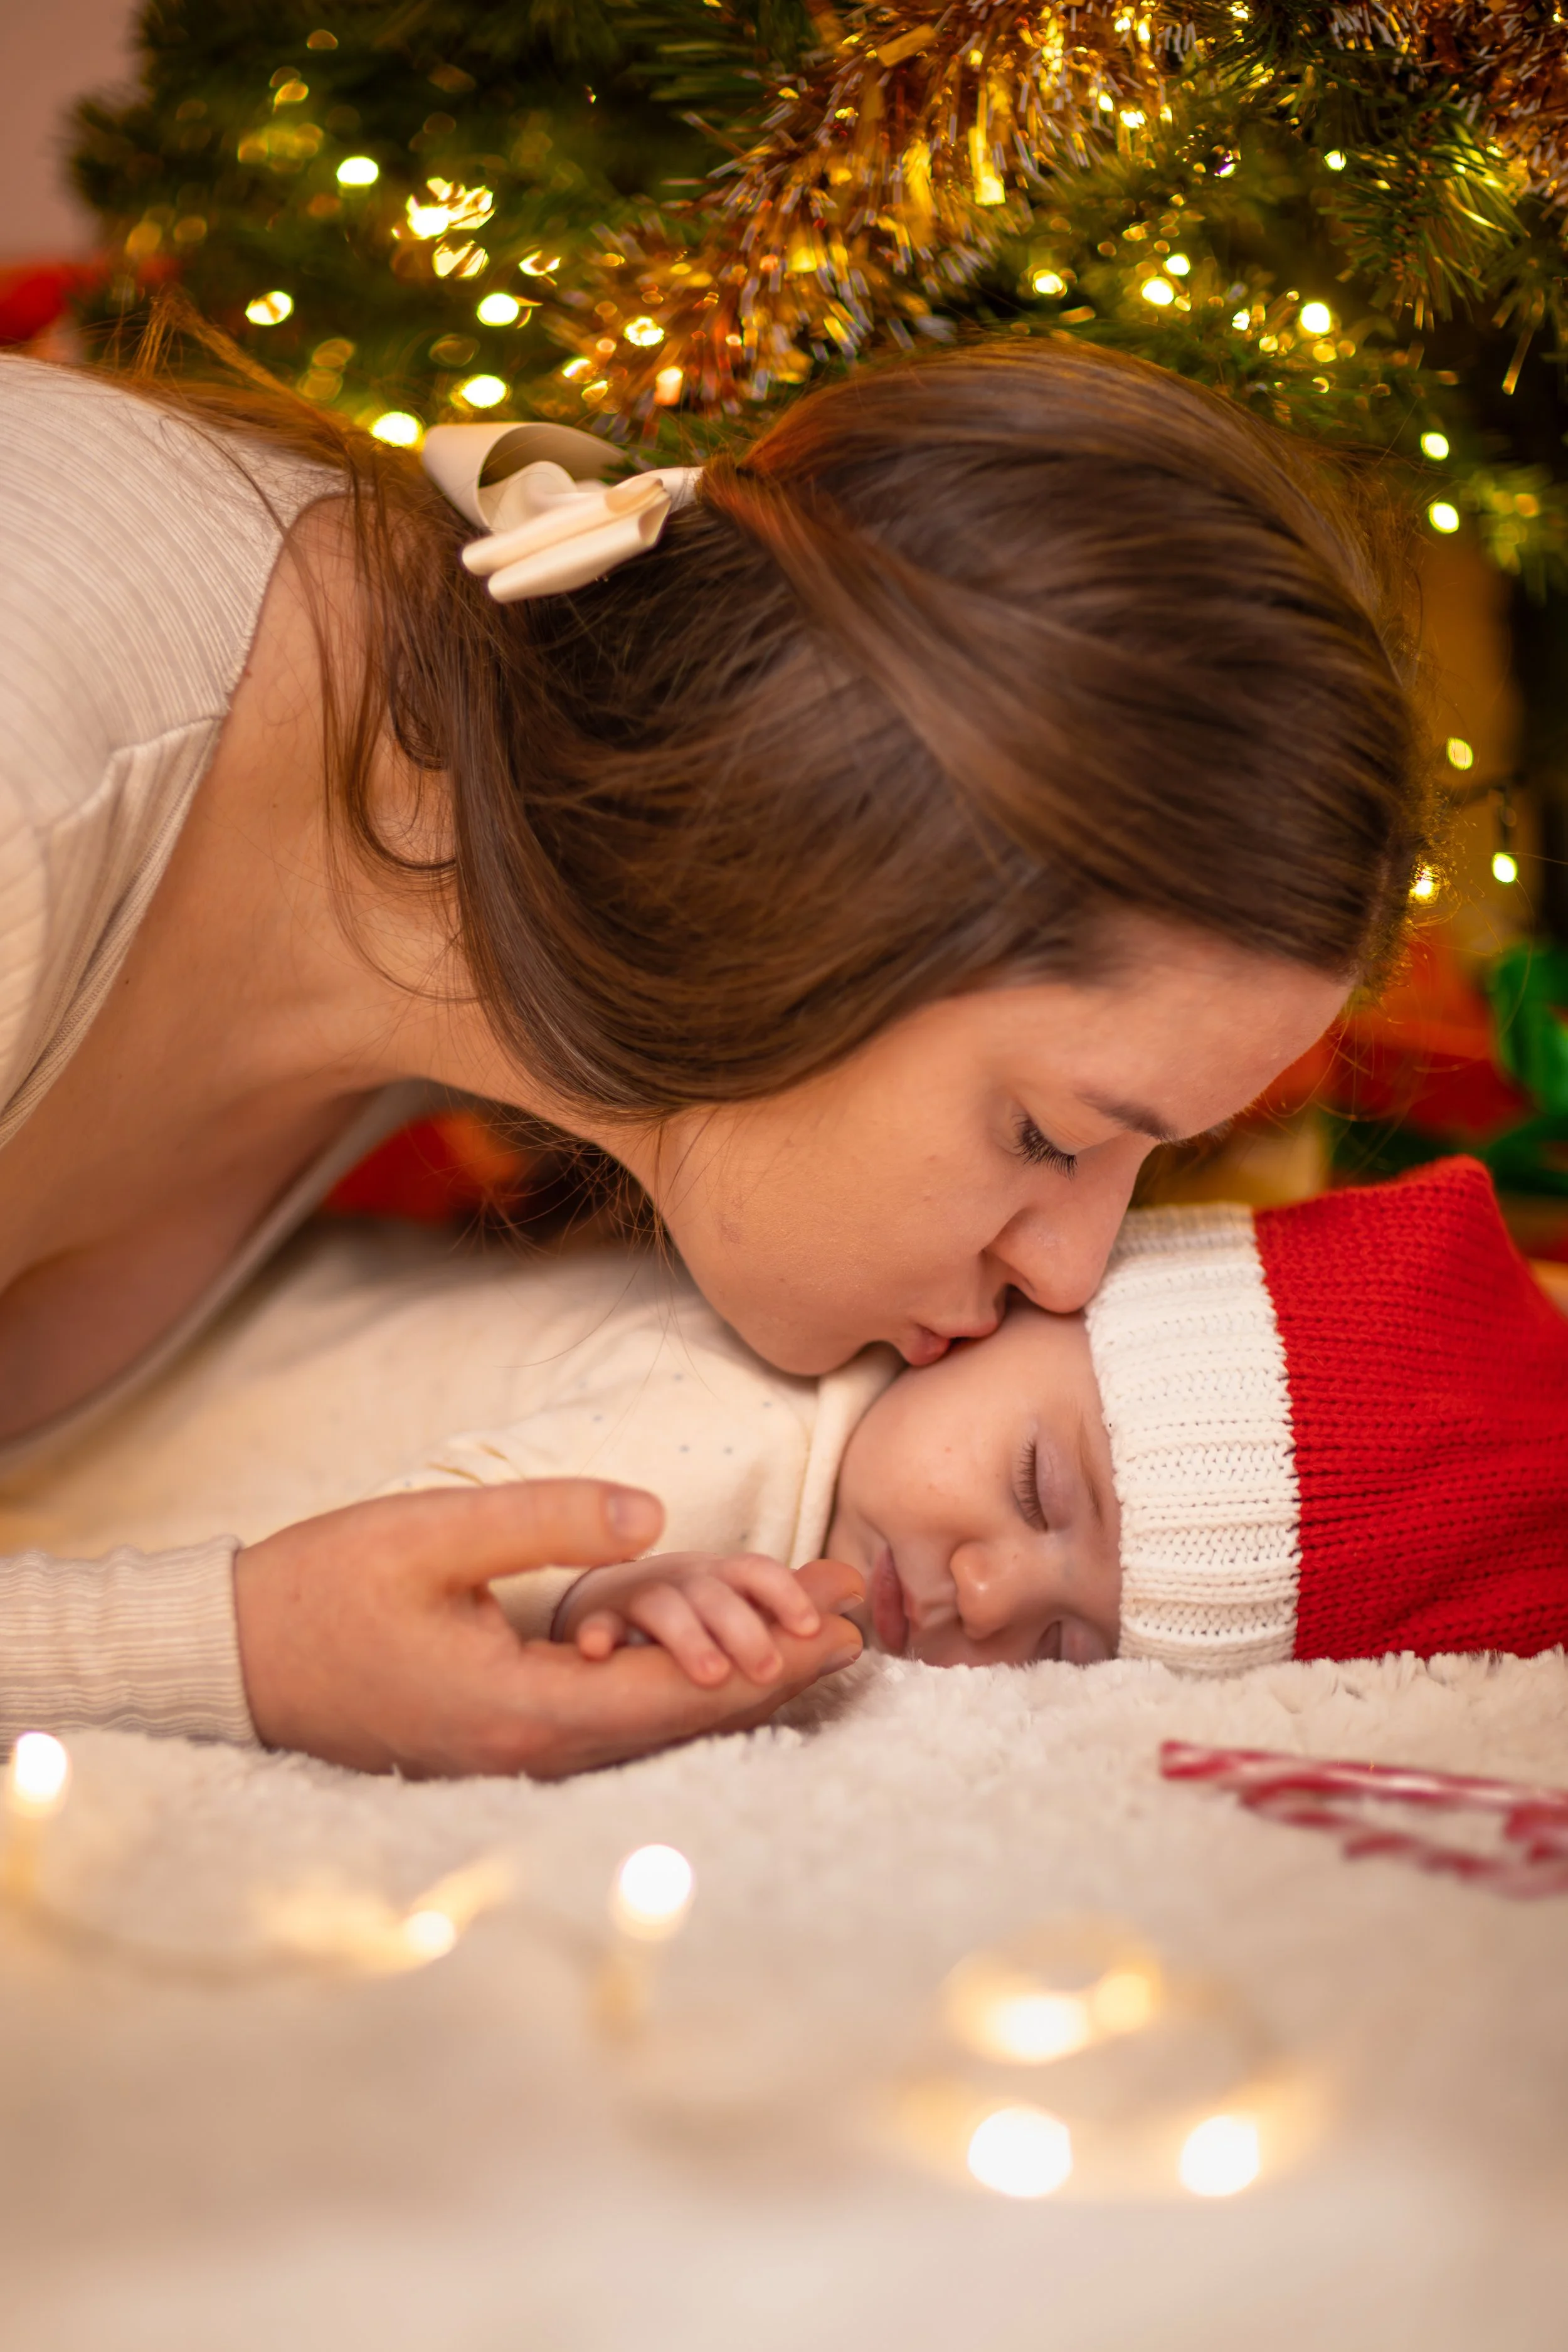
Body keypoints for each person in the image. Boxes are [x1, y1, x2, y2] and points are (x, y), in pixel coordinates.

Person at [0, 324, 1431, 1775]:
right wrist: (241, 1652)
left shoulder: (438, 888)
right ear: (802, 887)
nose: (1068, 1277)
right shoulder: (38, 781)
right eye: (1048, 1138)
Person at [386, 1158, 1567, 1684]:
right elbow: (403, 1571)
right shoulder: (748, 1421)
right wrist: (592, 1597)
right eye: (1039, 1488)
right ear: (1019, 1303)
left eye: (1069, 1648)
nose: (991, 1599)